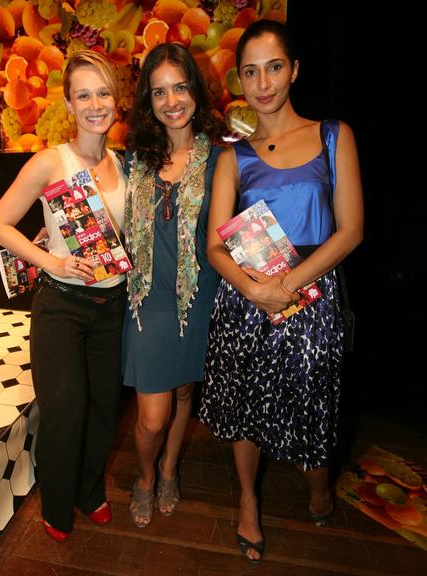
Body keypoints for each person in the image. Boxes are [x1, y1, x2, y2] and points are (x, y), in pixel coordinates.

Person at [199, 19, 363, 563]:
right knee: (246, 404)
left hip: (311, 297)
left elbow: (351, 231)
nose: (263, 83)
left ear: (294, 70)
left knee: (313, 401)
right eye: (250, 72)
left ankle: (319, 485)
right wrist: (255, 290)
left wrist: (289, 284)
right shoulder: (233, 155)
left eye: (273, 67)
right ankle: (248, 500)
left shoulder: (333, 135)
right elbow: (215, 246)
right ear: (240, 81)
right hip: (247, 298)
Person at [0, 50, 127, 542]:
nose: (95, 104)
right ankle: (58, 503)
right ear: (68, 104)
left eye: (103, 93)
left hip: (112, 307)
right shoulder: (51, 161)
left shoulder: (122, 164)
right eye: (83, 95)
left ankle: (90, 492)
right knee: (65, 412)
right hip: (61, 306)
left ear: (116, 99)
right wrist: (52, 261)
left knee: (104, 410)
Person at [123, 43, 222, 528]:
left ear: (196, 92)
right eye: (159, 92)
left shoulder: (220, 160)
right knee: (151, 417)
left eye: (180, 88)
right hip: (147, 301)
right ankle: (144, 475)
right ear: (148, 99)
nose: (171, 101)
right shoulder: (132, 161)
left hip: (197, 298)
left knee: (184, 393)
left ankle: (167, 472)